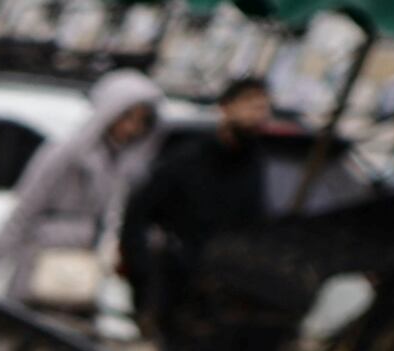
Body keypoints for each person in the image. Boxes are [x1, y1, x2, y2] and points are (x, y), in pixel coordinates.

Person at [123, 76, 295, 335]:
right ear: (226, 106)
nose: (258, 114)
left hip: (216, 296)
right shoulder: (186, 157)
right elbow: (138, 215)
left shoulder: (255, 165)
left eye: (264, 107)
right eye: (251, 104)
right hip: (169, 285)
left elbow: (253, 226)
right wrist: (144, 276)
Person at [0, 71, 166, 316]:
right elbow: (27, 205)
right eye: (126, 116)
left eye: (142, 121)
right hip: (41, 256)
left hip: (83, 266)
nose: (132, 128)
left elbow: (113, 217)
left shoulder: (126, 164)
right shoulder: (66, 152)